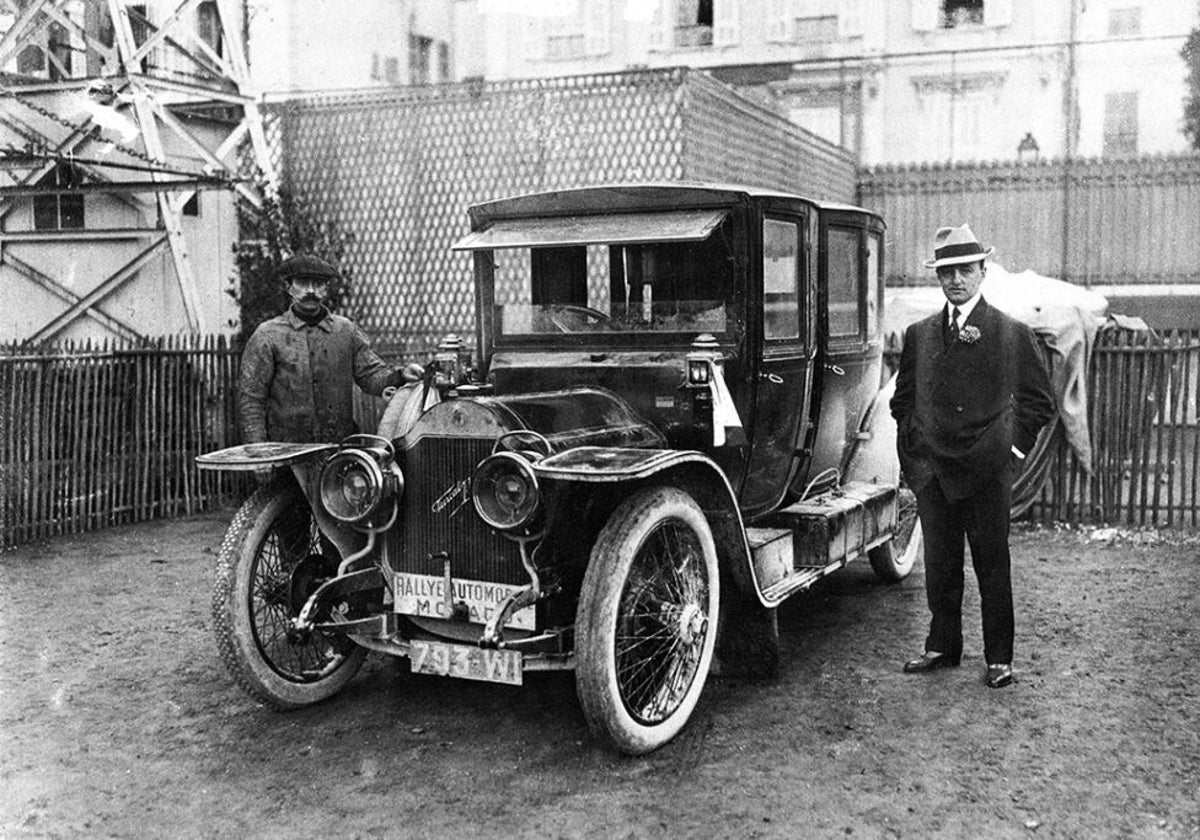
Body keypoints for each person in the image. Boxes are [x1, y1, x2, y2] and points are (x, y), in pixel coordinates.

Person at [890, 224, 1056, 689]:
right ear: (938, 278)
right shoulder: (920, 335)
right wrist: (915, 460)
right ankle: (942, 645)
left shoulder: (1009, 332)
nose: (956, 280)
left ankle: (999, 658)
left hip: (986, 472)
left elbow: (1040, 402)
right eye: (947, 272)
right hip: (934, 473)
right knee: (941, 565)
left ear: (983, 271)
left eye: (965, 270)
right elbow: (901, 402)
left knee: (991, 564)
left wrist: (1010, 451)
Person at [238, 254, 423, 446]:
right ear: (289, 287)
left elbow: (371, 375)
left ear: (326, 288)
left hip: (339, 449)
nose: (311, 290)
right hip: (286, 454)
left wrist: (401, 375)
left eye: (318, 283)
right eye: (302, 283)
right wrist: (259, 453)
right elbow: (251, 399)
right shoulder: (267, 335)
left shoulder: (345, 331)